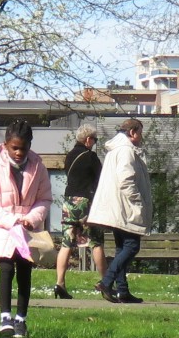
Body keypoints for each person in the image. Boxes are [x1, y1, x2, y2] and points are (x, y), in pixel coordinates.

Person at [0, 119, 49, 338]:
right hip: (3, 228)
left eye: (23, 148)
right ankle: (5, 317)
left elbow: (44, 199)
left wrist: (31, 218)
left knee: (25, 270)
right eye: (14, 148)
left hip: (28, 228)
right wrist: (11, 221)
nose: (19, 152)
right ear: (6, 144)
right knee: (6, 267)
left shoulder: (38, 167)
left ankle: (21, 320)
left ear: (30, 146)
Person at [87, 118, 152, 304]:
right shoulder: (126, 151)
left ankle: (122, 291)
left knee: (122, 248)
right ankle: (107, 282)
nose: (141, 137)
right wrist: (138, 201)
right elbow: (126, 180)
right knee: (132, 247)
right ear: (132, 132)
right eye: (140, 132)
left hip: (117, 208)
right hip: (126, 208)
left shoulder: (115, 150)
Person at [51, 125, 104, 298]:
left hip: (69, 202)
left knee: (67, 242)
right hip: (85, 202)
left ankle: (60, 282)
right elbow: (100, 181)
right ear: (88, 139)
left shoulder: (70, 156)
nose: (95, 143)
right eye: (94, 140)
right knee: (95, 242)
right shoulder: (91, 157)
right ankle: (106, 282)